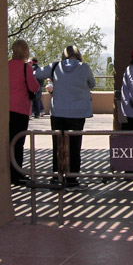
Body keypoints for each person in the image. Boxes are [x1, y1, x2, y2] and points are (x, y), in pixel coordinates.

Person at [36, 45, 95, 190]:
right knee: (74, 147)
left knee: (58, 146)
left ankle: (57, 177)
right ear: (78, 55)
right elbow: (92, 84)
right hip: (77, 113)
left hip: (58, 112)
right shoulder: (85, 68)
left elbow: (36, 74)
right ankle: (72, 179)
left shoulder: (55, 67)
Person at [8, 39, 41, 186]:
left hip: (6, 108)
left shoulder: (6, 65)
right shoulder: (25, 68)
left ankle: (8, 172)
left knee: (9, 141)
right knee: (18, 142)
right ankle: (17, 174)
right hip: (20, 109)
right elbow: (34, 87)